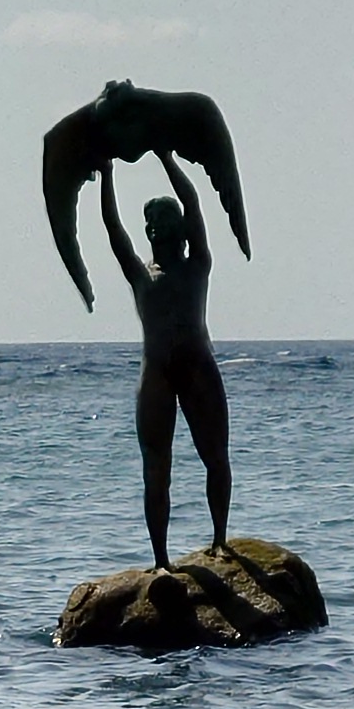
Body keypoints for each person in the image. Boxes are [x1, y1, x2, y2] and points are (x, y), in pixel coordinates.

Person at [98, 152, 227, 573]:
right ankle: (161, 561)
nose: (158, 227)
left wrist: (166, 157)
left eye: (167, 220)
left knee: (215, 456)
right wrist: (106, 175)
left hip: (198, 368)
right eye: (153, 222)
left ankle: (220, 540)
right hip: (156, 373)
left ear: (182, 230)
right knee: (156, 470)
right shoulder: (140, 275)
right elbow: (114, 229)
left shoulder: (198, 265)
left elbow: (193, 202)